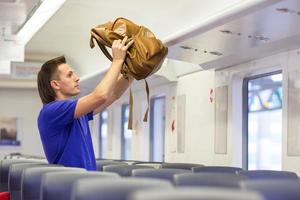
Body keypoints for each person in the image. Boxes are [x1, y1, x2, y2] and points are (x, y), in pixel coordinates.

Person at [37, 36, 134, 170]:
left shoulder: (77, 112)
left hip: (85, 182)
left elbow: (113, 95)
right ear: (55, 84)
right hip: (68, 186)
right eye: (70, 75)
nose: (77, 78)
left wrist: (133, 71)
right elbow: (100, 96)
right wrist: (117, 60)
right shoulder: (51, 111)